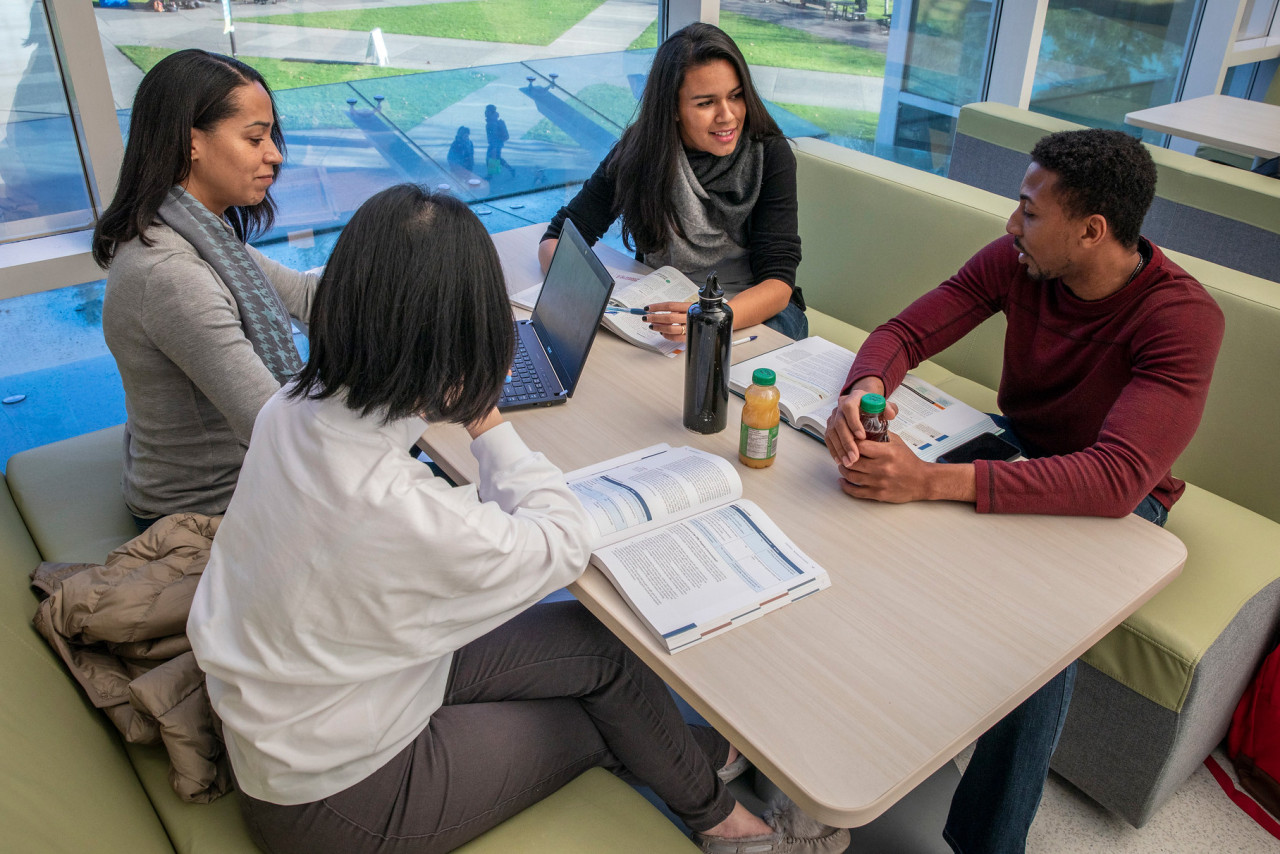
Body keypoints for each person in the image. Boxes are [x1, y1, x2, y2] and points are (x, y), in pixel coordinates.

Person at [186, 184, 849, 854]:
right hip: (334, 798)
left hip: (326, 689)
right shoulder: (397, 511)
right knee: (597, 722)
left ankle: (702, 760)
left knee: (598, 648)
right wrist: (486, 417)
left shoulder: (296, 404)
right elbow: (563, 542)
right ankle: (734, 830)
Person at [824, 128, 1224, 853]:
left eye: (1030, 211)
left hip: (1122, 499)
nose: (1013, 224)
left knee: (1039, 642)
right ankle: (852, 742)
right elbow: (904, 332)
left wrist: (927, 481)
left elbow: (1113, 478)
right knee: (860, 520)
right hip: (1019, 446)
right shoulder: (1020, 262)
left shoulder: (1182, 319)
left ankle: (988, 844)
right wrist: (865, 389)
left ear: (1091, 231)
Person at [93, 49, 318, 528]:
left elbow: (305, 297)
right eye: (255, 138)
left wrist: (404, 282)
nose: (274, 155)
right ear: (191, 142)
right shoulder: (172, 273)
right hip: (206, 510)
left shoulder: (194, 231)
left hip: (225, 480)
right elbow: (278, 428)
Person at [538, 23, 805, 341]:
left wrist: (709, 320)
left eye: (736, 96)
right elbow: (559, 238)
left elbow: (778, 285)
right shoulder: (641, 151)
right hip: (665, 314)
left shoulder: (771, 154)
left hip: (750, 314)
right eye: (705, 103)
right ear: (673, 108)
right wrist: (587, 300)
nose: (727, 115)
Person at [483, 104, 513, 177]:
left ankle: (490, 175)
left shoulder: (492, 123)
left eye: (487, 111)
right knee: (497, 158)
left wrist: (494, 147)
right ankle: (511, 169)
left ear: (491, 112)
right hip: (497, 144)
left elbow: (494, 136)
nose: (485, 112)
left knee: (490, 158)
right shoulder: (493, 120)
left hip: (495, 144)